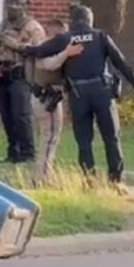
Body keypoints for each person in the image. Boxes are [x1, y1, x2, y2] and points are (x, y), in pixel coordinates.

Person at [21, 5, 134, 193]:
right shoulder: (100, 37)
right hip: (102, 93)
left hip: (78, 95)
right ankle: (116, 181)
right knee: (111, 137)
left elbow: (39, 51)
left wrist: (24, 48)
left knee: (84, 141)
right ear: (90, 20)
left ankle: (89, 182)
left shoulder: (66, 39)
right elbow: (120, 61)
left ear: (73, 21)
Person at [0, 0, 82, 164]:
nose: (10, 9)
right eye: (8, 5)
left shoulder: (33, 27)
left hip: (21, 75)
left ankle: (27, 152)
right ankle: (13, 151)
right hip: (2, 75)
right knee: (7, 116)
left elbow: (39, 50)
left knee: (20, 115)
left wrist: (15, 45)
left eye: (15, 5)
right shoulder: (1, 25)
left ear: (24, 6)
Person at [29, 18, 80, 186]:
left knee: (50, 138)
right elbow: (49, 65)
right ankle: (42, 178)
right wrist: (66, 53)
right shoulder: (42, 49)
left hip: (48, 97)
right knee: (49, 138)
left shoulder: (44, 48)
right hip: (45, 98)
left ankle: (42, 175)